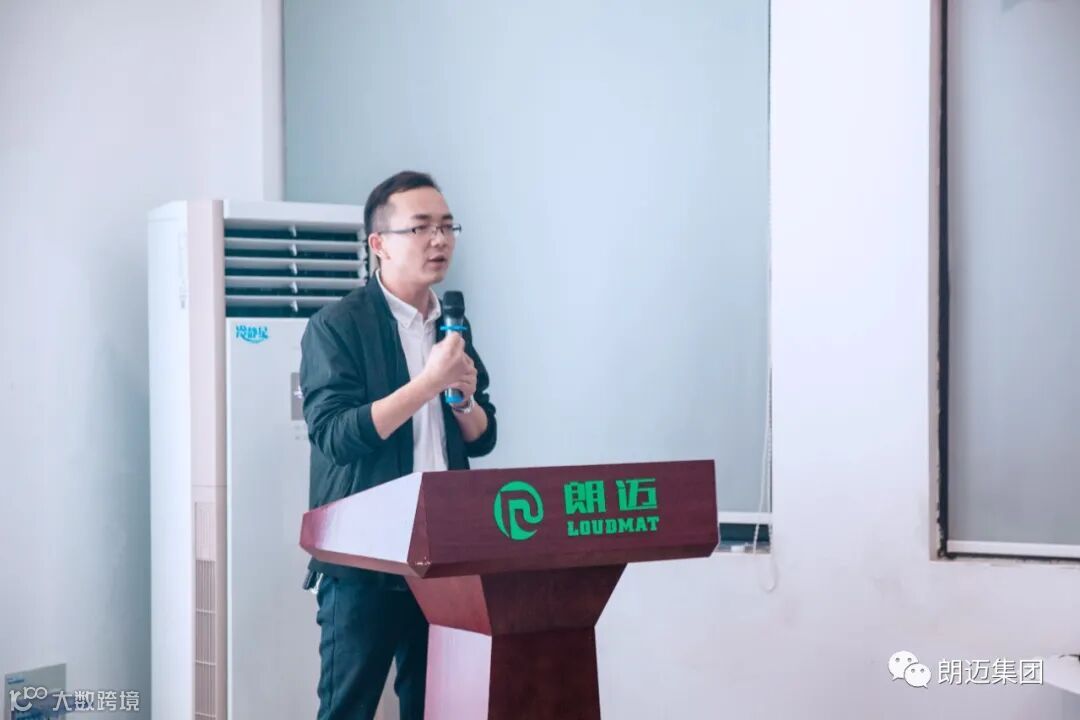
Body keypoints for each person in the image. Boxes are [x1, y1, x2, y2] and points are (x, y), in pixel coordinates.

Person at [299, 170, 497, 720]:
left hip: (445, 556)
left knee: (436, 706)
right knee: (348, 708)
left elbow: (482, 437)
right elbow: (336, 436)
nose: (439, 240)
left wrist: (464, 401)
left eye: (447, 226)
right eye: (421, 227)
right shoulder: (336, 326)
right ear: (379, 244)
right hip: (364, 556)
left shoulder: (452, 326)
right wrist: (428, 383)